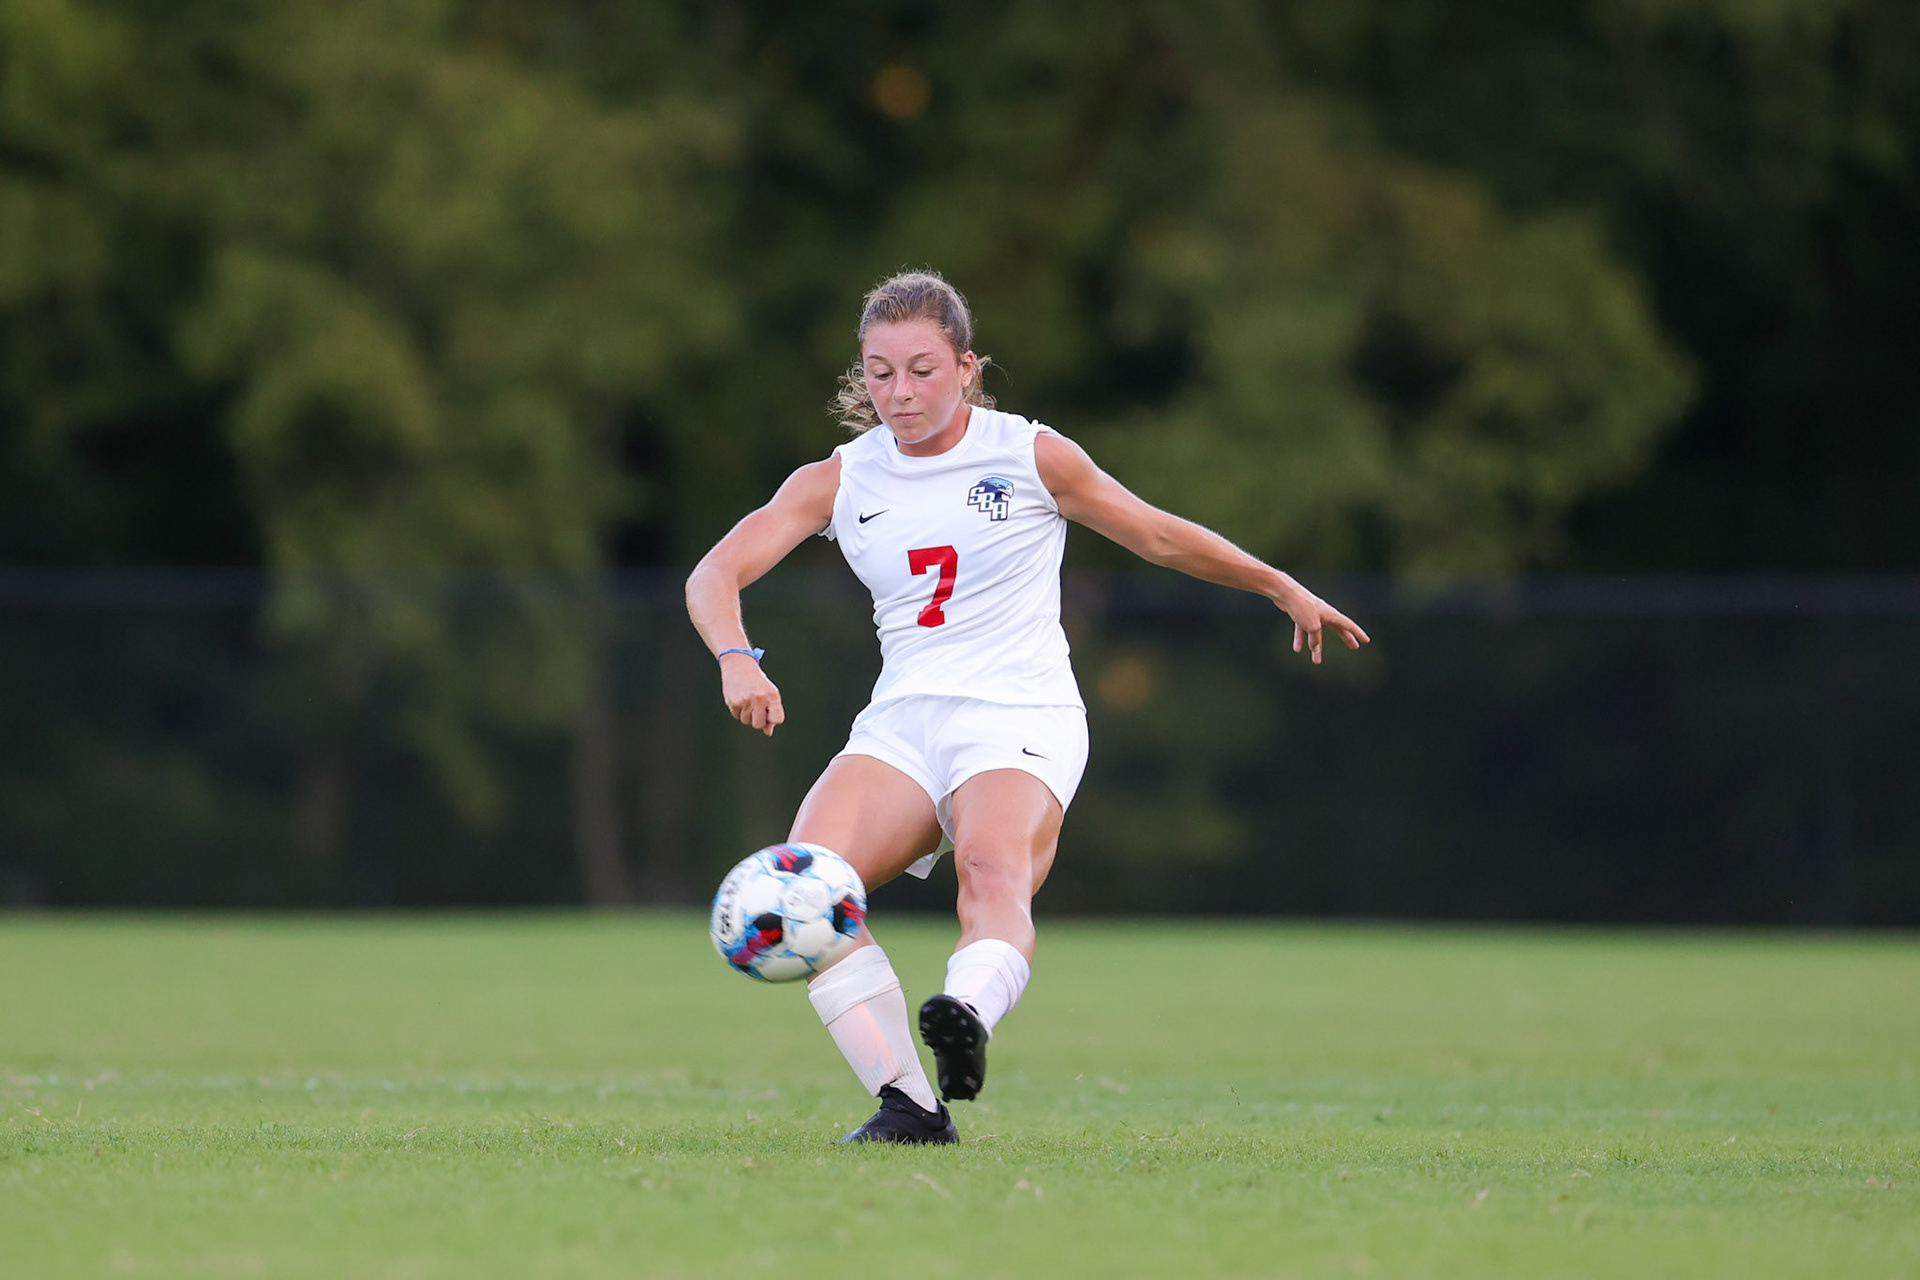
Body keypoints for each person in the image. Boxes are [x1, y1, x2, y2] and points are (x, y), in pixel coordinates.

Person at [685, 270, 1368, 1144]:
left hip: (1018, 713)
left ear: (968, 367)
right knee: (807, 890)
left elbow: (1155, 532)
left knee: (992, 871)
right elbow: (716, 572)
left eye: (924, 369)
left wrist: (1278, 585)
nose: (901, 393)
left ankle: (964, 1013)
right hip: (903, 720)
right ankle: (909, 1104)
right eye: (882, 372)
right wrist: (736, 657)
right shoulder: (840, 478)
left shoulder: (1030, 455)